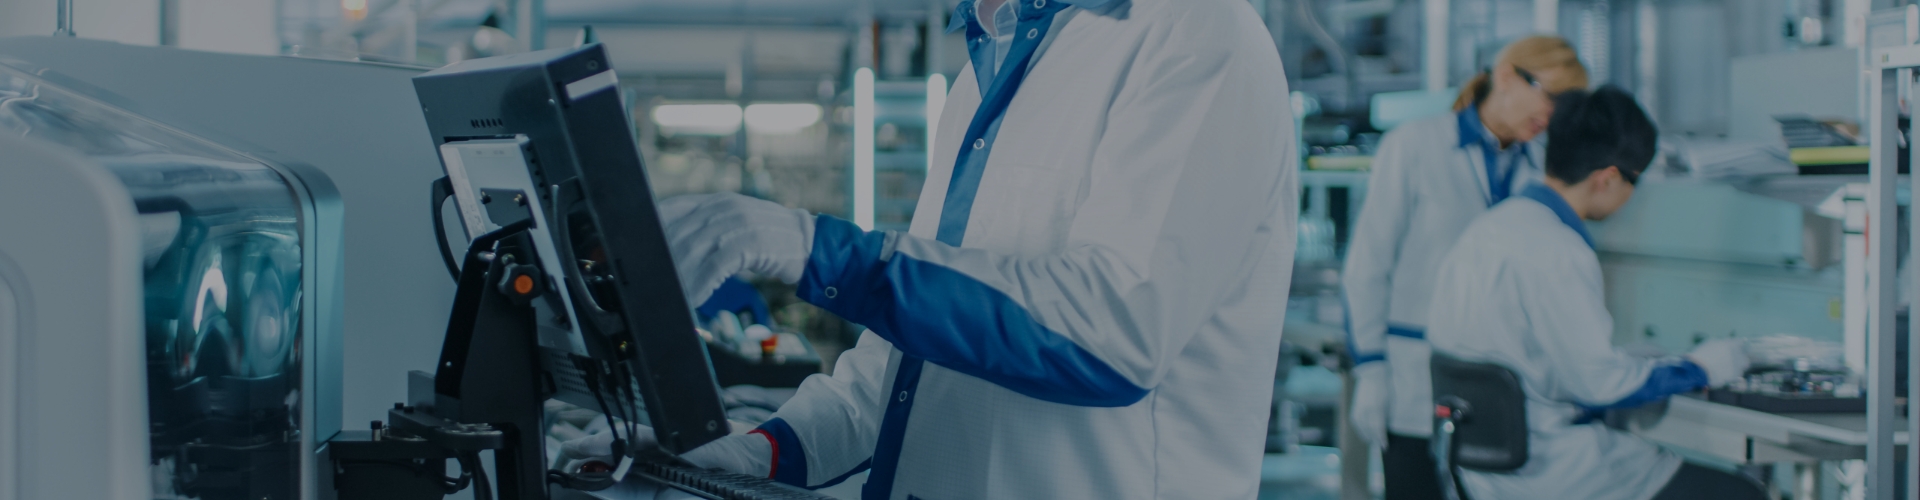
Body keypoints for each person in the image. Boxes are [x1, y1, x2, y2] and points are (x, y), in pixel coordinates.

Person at [566, 0, 1300, 498]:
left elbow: (1111, 334)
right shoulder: (985, 73)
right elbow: (903, 373)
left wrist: (814, 250)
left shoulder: (1194, 31)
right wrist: (762, 450)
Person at [1423, 86, 1762, 500]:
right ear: (1609, 178)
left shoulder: (1488, 228)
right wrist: (1701, 368)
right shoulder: (1560, 249)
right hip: (1553, 472)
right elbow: (1600, 387)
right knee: (1741, 493)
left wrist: (1630, 362)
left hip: (1480, 474)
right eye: (1635, 182)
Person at [1342, 35, 1588, 500]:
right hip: (1413, 385)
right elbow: (1368, 266)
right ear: (1506, 76)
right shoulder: (1415, 145)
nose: (1553, 114)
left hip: (1504, 396)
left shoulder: (1539, 172)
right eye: (1551, 96)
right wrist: (1370, 369)